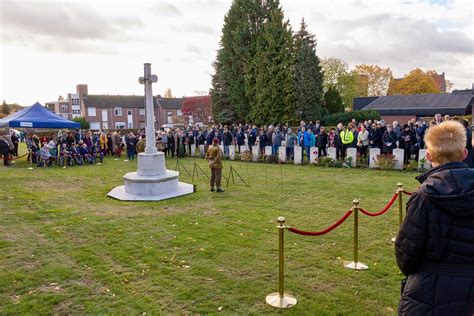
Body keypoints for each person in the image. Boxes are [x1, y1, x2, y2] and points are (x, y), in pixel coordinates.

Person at [395, 121, 474, 315]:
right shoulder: (425, 196)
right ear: (464, 154)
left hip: (429, 290)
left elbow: (406, 255)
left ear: (429, 156)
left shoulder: (423, 197)